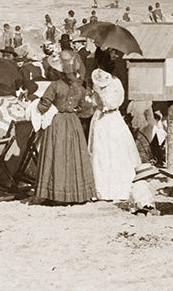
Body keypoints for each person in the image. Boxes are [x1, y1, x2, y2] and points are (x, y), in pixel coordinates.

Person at [33, 51, 96, 204]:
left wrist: (37, 106)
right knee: (74, 157)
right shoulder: (79, 88)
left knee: (56, 156)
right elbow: (86, 109)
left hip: (57, 122)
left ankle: (55, 194)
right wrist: (74, 112)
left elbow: (43, 106)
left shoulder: (55, 86)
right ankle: (76, 193)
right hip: (73, 122)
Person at [87, 68, 142, 203]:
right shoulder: (97, 81)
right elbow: (95, 103)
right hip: (100, 119)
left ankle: (118, 189)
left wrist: (99, 94)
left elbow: (112, 103)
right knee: (100, 153)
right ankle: (102, 189)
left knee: (116, 151)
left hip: (112, 119)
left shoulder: (115, 82)